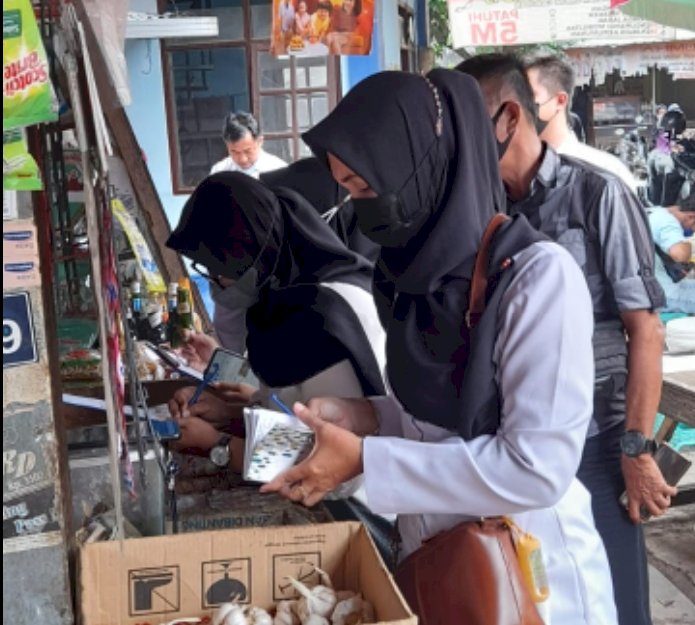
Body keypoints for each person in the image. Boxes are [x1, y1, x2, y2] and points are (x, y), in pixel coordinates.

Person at [262, 69, 617, 624]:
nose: (360, 208)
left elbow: (536, 468)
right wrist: (361, 416)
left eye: (366, 186)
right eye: (349, 189)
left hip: (528, 578)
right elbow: (427, 422)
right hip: (439, 563)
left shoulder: (537, 279)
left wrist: (365, 459)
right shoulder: (407, 283)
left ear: (424, 168)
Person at [458, 53, 671, 625]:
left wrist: (636, 449)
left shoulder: (596, 194)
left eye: (463, 121)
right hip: (515, 447)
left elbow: (645, 330)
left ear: (506, 118)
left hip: (598, 445)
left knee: (618, 602)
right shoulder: (482, 214)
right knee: (539, 601)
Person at [525, 54, 637, 193]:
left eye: (528, 97)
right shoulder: (513, 175)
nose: (520, 107)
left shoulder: (607, 174)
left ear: (560, 100)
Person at [648, 193, 695, 314]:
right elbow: (680, 254)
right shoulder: (668, 222)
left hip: (647, 289)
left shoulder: (655, 212)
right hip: (660, 295)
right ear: (691, 217)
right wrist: (690, 244)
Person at [210, 112, 287, 178]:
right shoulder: (219, 172)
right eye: (235, 152)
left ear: (260, 141)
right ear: (227, 145)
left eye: (248, 151)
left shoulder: (278, 170)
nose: (242, 159)